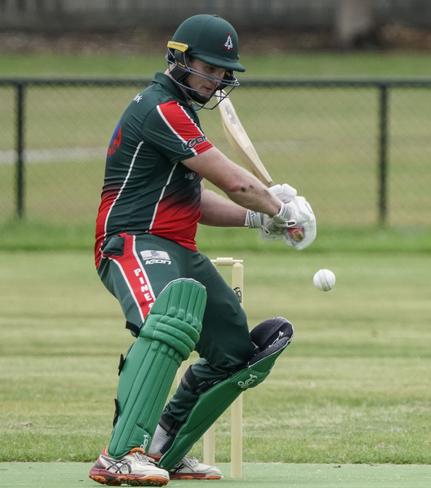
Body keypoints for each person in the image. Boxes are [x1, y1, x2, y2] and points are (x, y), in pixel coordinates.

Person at [88, 14, 315, 486]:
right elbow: (232, 180)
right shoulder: (160, 108)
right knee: (168, 324)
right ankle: (120, 454)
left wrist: (260, 217)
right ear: (179, 59)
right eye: (209, 68)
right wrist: (278, 207)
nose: (218, 79)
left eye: (223, 71)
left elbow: (197, 203)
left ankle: (163, 448)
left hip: (176, 245)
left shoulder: (182, 113)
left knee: (234, 349)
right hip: (131, 241)